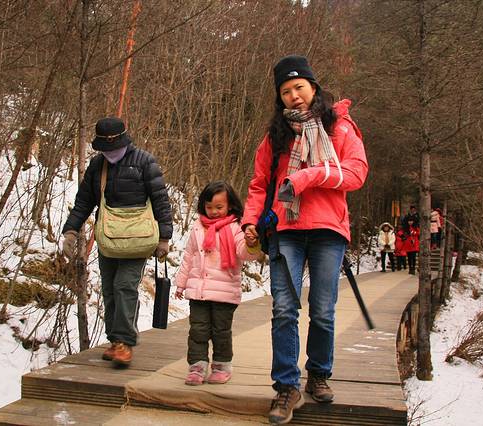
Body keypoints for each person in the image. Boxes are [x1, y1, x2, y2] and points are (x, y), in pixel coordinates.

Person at [241, 55, 368, 424]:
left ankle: (318, 374)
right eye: (286, 91)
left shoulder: (340, 127)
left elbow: (357, 173)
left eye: (299, 87)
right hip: (286, 230)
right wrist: (250, 221)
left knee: (323, 310)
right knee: (284, 308)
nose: (294, 95)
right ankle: (286, 386)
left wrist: (308, 177)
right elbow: (260, 184)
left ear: (314, 87)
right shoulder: (276, 136)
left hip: (329, 228)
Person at [61, 117, 172, 367]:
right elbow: (84, 202)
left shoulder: (145, 162)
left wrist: (164, 238)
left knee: (125, 286)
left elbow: (161, 201)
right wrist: (71, 231)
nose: (110, 152)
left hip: (139, 240)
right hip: (108, 239)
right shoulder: (97, 165)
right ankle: (115, 340)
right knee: (110, 290)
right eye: (105, 148)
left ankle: (124, 342)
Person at [174, 181, 260, 386]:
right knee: (198, 330)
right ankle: (197, 367)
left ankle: (221, 366)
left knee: (221, 331)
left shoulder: (236, 228)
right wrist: (181, 283)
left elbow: (245, 254)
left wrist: (252, 243)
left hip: (224, 292)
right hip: (199, 290)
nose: (213, 211)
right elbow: (189, 257)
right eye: (209, 207)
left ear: (230, 206)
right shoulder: (198, 227)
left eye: (219, 207)